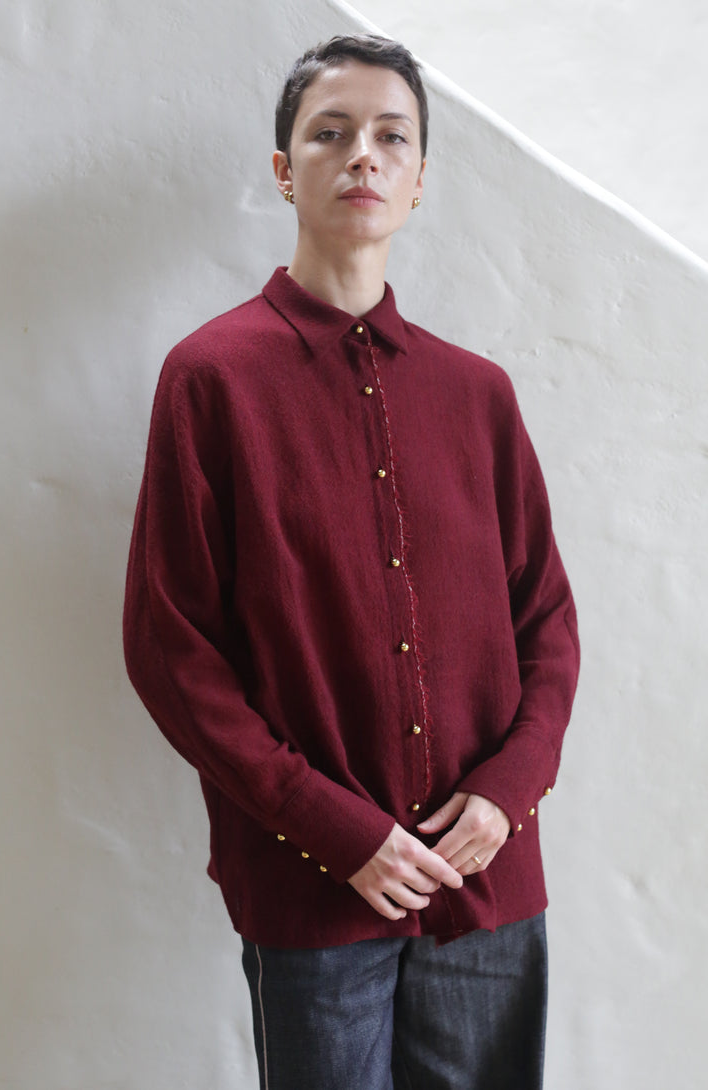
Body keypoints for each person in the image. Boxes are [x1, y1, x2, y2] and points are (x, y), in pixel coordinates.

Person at [123, 33, 579, 1090]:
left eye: (390, 137)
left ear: (419, 181)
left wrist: (506, 793)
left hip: (486, 889)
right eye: (330, 133)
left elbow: (545, 620)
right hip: (315, 890)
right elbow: (171, 648)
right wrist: (336, 827)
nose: (361, 156)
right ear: (286, 171)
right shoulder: (211, 381)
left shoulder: (479, 396)